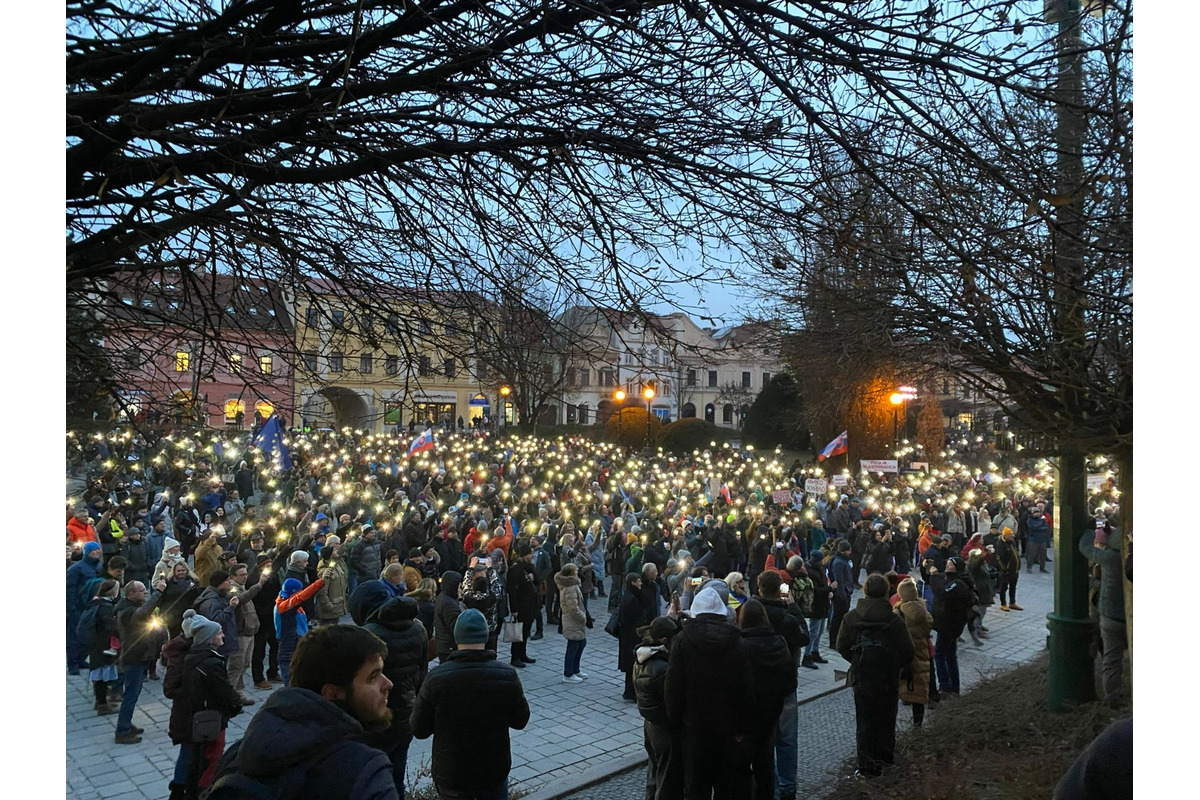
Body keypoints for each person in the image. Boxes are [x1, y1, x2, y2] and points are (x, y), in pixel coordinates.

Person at [208, 625, 399, 800]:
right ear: (333, 693)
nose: (388, 684)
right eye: (373, 677)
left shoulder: (239, 755)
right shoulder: (366, 774)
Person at [410, 608, 532, 800]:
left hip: (451, 773)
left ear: (457, 637)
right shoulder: (506, 675)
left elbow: (419, 728)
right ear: (485, 636)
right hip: (492, 771)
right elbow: (520, 720)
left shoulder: (436, 678)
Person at [665, 585, 754, 800]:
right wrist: (742, 726)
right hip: (727, 729)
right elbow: (745, 688)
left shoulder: (683, 640)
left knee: (696, 788)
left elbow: (673, 686)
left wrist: (676, 722)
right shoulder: (737, 642)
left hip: (693, 727)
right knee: (726, 787)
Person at [835, 573, 914, 778]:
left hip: (862, 678)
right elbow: (908, 650)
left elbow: (841, 645)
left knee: (865, 723)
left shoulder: (851, 617)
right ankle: (885, 762)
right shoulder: (894, 619)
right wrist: (894, 665)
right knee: (886, 721)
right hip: (887, 679)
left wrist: (856, 659)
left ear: (865, 591)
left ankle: (866, 767)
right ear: (887, 591)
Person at [168, 614, 243, 800]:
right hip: (199, 716)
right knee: (203, 758)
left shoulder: (194, 656)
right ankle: (193, 792)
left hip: (195, 714)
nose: (223, 636)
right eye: (219, 633)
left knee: (194, 758)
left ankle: (186, 791)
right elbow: (222, 691)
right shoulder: (205, 662)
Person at [363, 596, 429, 799]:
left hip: (376, 715)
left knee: (372, 777)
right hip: (406, 711)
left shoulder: (368, 636)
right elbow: (422, 672)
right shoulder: (418, 630)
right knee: (397, 774)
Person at [739, 599, 797, 800]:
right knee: (765, 764)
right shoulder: (779, 641)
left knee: (743, 765)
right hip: (771, 712)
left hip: (748, 715)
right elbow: (789, 679)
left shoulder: (741, 645)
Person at [633, 615, 684, 800]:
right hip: (664, 730)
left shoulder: (643, 658)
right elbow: (674, 703)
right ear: (664, 641)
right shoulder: (662, 668)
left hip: (651, 725)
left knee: (654, 776)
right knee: (667, 782)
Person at [113, 579, 167, 743]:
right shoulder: (127, 611)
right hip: (134, 656)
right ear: (131, 594)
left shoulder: (130, 606)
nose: (145, 592)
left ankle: (126, 723)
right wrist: (158, 592)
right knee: (130, 694)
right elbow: (142, 613)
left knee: (133, 693)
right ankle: (122, 731)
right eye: (142, 590)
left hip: (140, 654)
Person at [1078, 526, 1128, 703]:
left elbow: (1085, 548)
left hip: (1110, 616)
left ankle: (1111, 697)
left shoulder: (1109, 558)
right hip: (1129, 615)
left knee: (1111, 660)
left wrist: (1089, 529)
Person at [225, 562, 268, 704]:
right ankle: (230, 697)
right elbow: (243, 599)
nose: (244, 577)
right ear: (232, 577)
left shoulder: (241, 587)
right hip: (240, 634)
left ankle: (238, 693)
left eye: (245, 574)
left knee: (245, 664)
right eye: (241, 575)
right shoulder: (232, 590)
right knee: (236, 666)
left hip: (250, 632)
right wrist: (259, 584)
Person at [929, 556, 972, 696]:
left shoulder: (958, 583)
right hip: (948, 623)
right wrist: (928, 568)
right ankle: (954, 687)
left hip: (950, 624)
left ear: (957, 568)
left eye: (951, 564)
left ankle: (945, 686)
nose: (947, 566)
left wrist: (934, 576)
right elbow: (937, 579)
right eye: (947, 563)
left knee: (940, 654)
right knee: (950, 655)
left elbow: (942, 592)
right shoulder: (950, 578)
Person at [894, 577, 934, 727]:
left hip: (904, 656)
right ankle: (918, 725)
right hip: (922, 654)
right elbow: (929, 627)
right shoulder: (924, 610)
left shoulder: (898, 612)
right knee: (919, 692)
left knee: (899, 688)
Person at [275, 576, 325, 685]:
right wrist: (320, 582)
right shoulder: (283, 607)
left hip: (294, 648)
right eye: (298, 591)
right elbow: (301, 597)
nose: (300, 593)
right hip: (288, 652)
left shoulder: (284, 601)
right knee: (290, 685)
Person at [83, 578, 122, 714]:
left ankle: (100, 701)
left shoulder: (96, 602)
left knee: (99, 672)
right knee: (101, 674)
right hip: (103, 644)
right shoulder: (105, 606)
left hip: (95, 642)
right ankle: (102, 704)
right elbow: (109, 626)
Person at [67, 540, 104, 674]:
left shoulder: (99, 566)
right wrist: (71, 607)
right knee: (74, 636)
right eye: (94, 551)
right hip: (78, 607)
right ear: (87, 553)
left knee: (88, 635)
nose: (97, 552)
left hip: (92, 605)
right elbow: (69, 588)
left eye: (98, 550)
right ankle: (72, 664)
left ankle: (82, 659)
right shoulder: (76, 568)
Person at [506, 541, 539, 668]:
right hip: (520, 606)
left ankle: (523, 653)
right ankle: (515, 656)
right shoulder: (515, 569)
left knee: (526, 631)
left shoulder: (530, 568)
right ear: (523, 555)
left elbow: (538, 580)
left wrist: (533, 577)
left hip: (530, 604)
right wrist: (514, 609)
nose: (531, 556)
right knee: (517, 632)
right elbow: (512, 591)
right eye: (529, 554)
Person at [555, 562, 589, 682]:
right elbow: (572, 608)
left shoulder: (573, 585)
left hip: (575, 621)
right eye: (575, 571)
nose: (577, 573)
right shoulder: (570, 588)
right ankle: (568, 674)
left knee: (581, 643)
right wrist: (582, 617)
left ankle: (576, 669)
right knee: (573, 646)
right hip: (573, 620)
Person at [619, 572, 646, 701]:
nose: (641, 583)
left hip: (627, 636)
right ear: (633, 583)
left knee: (630, 666)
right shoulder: (633, 599)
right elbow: (635, 619)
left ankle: (629, 691)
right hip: (632, 637)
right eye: (638, 581)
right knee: (632, 665)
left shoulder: (628, 596)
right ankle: (631, 692)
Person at [316, 534, 350, 626]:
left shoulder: (336, 565)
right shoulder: (324, 571)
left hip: (337, 607)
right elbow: (322, 592)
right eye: (334, 549)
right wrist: (329, 606)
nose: (337, 550)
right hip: (330, 610)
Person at [828, 540, 854, 653]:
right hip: (841, 596)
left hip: (844, 593)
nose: (850, 552)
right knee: (837, 619)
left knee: (839, 618)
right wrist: (843, 594)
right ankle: (833, 641)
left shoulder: (842, 561)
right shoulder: (839, 563)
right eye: (848, 550)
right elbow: (840, 581)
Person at [432, 571, 464, 663]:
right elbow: (456, 628)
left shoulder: (443, 597)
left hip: (444, 645)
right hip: (449, 647)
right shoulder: (449, 604)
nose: (460, 587)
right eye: (458, 585)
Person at [995, 527, 1023, 611]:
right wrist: (1004, 569)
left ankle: (1012, 602)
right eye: (1011, 535)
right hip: (1007, 571)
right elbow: (998, 558)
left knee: (1013, 587)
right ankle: (1003, 603)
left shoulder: (1012, 543)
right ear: (1006, 535)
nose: (1013, 536)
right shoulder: (1001, 544)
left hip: (1015, 570)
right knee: (1004, 588)